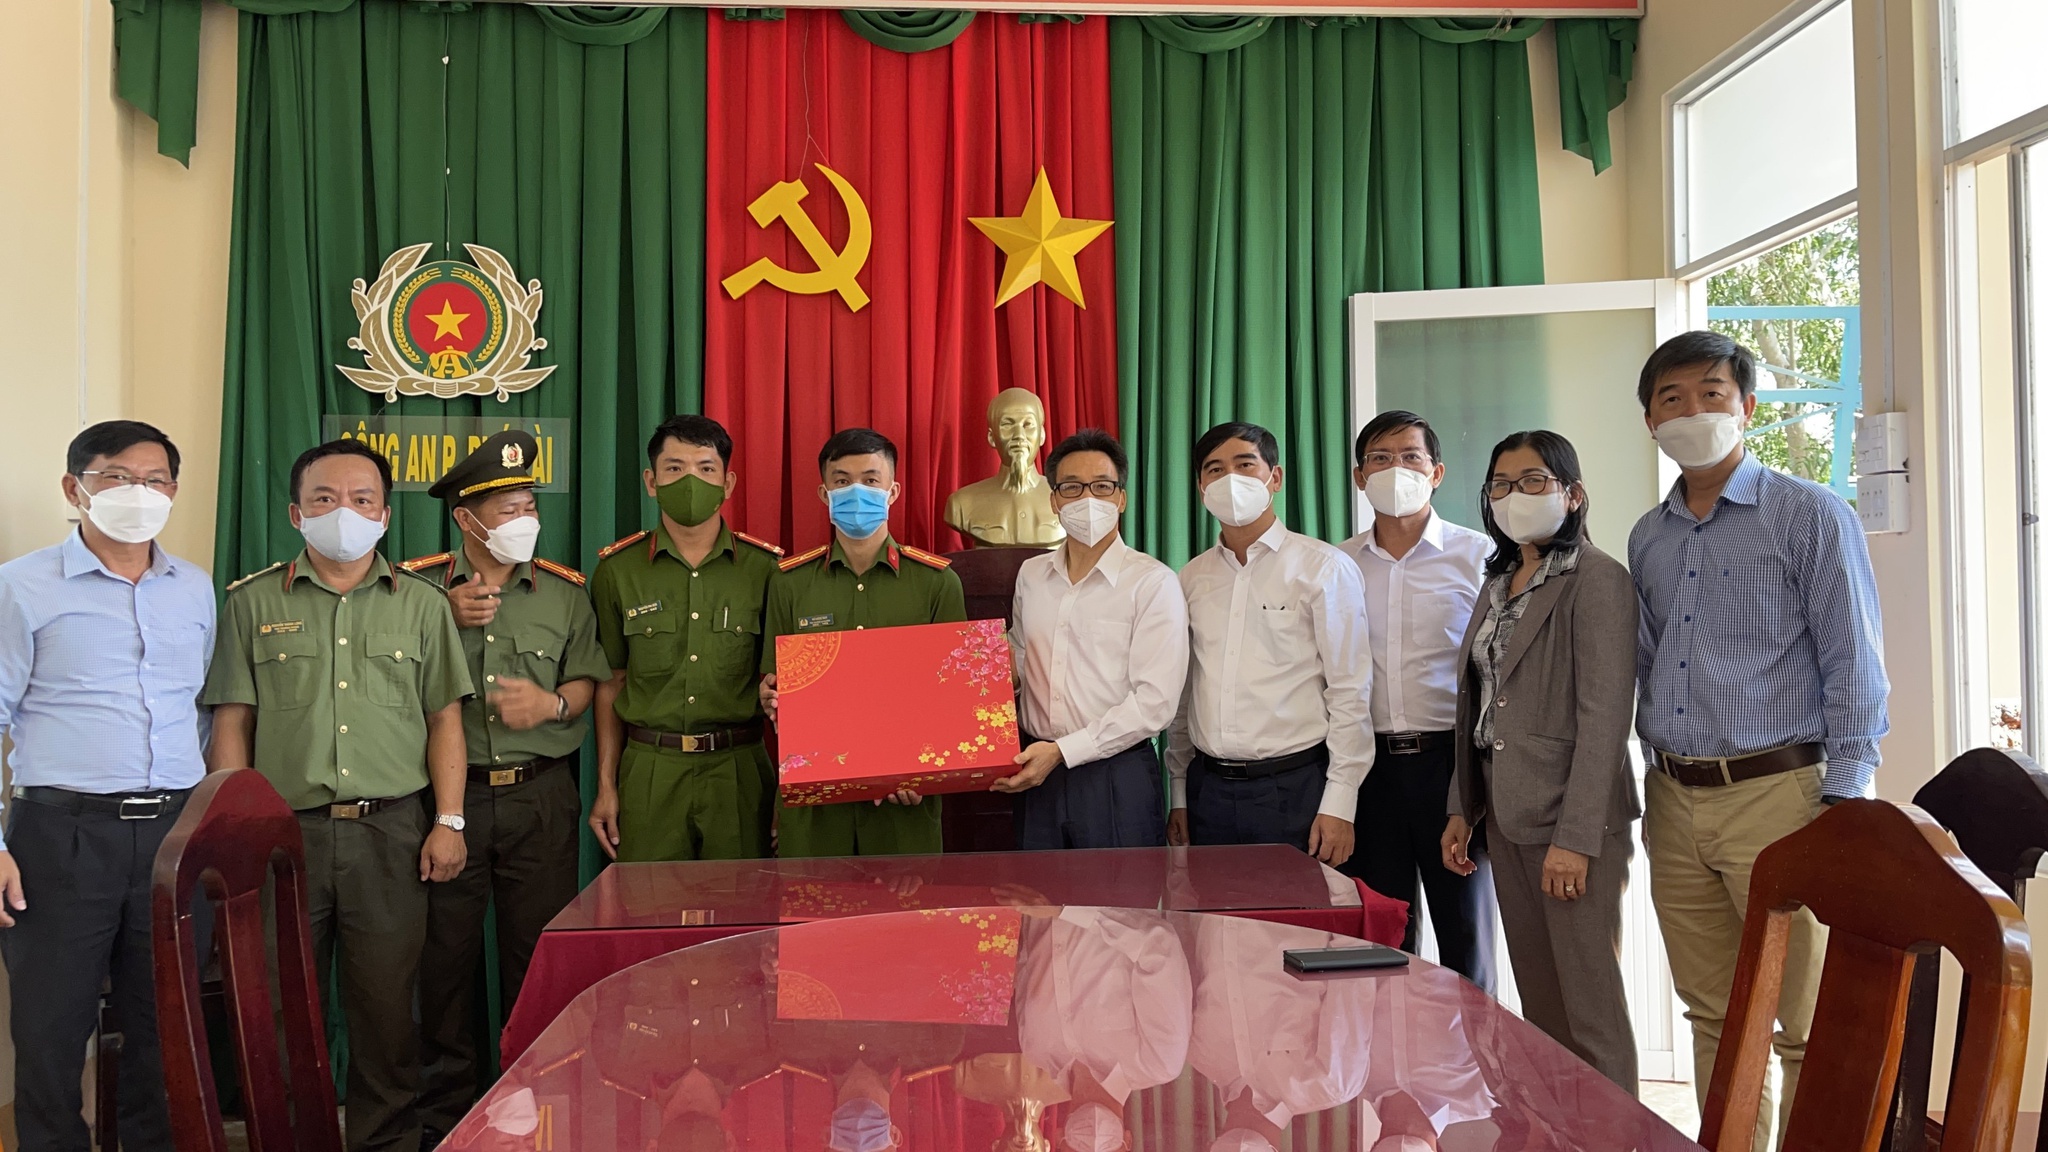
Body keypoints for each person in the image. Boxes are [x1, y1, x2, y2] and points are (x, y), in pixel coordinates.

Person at [1629, 331, 1888, 1147]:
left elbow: (1854, 661)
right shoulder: (1649, 537)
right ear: (1650, 421)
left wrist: (1843, 801)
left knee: (1804, 1021)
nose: (1692, 412)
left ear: (1746, 406)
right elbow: (1648, 662)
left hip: (1783, 795)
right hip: (1675, 797)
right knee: (1715, 1013)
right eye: (1671, 399)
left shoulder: (1809, 514)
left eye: (1711, 394)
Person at [203, 438, 472, 1152]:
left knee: (387, 1014)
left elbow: (445, 719)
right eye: (324, 499)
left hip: (392, 834)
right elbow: (232, 722)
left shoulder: (421, 604)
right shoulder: (252, 602)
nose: (342, 512)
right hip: (282, 839)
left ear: (384, 515)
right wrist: (234, 831)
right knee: (281, 1008)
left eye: (361, 499)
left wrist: (449, 821)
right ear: (297, 513)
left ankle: (388, 1143)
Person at [0, 421, 214, 1152]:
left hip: (173, 837)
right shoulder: (20, 586)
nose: (138, 493)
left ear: (174, 491)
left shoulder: (194, 587)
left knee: (166, 1030)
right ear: (75, 488)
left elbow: (198, 707)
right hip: (60, 837)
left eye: (155, 480)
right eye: (117, 477)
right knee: (50, 1032)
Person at [406, 431, 611, 1143]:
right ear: (466, 519)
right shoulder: (416, 591)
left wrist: (552, 704)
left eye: (530, 506)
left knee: (537, 958)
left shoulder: (564, 592)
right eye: (508, 509)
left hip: (539, 795)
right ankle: (448, 1116)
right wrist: (443, 615)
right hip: (445, 803)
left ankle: (540, 1102)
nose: (525, 520)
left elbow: (588, 679)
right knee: (444, 963)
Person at [1441, 430, 1640, 1091]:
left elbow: (1604, 718)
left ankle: (1617, 1136)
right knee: (1541, 1005)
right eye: (1500, 484)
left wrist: (1575, 841)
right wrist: (1462, 806)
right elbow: (1478, 702)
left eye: (1533, 481)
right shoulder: (1499, 581)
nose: (1514, 496)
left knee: (1590, 1009)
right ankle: (1559, 1130)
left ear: (1572, 494)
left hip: (1571, 823)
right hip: (1504, 814)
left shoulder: (1598, 579)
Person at [1337, 410, 1497, 989]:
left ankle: (1475, 1052)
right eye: (1380, 458)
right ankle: (1387, 1052)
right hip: (1369, 772)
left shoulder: (1481, 557)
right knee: (1381, 944)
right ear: (1360, 477)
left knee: (1465, 942)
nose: (1395, 469)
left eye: (1410, 457)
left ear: (1437, 472)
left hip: (1452, 769)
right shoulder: (1337, 565)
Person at [1165, 421, 1370, 867]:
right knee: (1214, 912)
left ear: (1274, 478)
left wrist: (1340, 802)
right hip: (1208, 792)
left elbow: (1351, 691)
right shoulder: (1190, 578)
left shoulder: (1323, 568)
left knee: (1303, 912)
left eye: (1245, 465)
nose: (1230, 479)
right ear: (1201, 488)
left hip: (1296, 788)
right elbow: (1184, 692)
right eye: (1215, 469)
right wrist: (1178, 791)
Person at [761, 428, 967, 856]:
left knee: (907, 902)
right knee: (810, 901)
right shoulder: (789, 584)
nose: (856, 491)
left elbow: (956, 697)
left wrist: (921, 772)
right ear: (824, 494)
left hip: (906, 804)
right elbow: (774, 681)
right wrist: (771, 696)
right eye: (842, 481)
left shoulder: (937, 583)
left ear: (893, 492)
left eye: (871, 480)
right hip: (817, 805)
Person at [588, 415, 783, 862]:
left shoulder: (767, 571)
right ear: (651, 481)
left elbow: (782, 689)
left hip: (739, 769)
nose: (690, 480)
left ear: (727, 483)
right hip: (651, 768)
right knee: (649, 901)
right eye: (674, 468)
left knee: (741, 901)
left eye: (705, 468)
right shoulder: (617, 571)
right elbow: (611, 682)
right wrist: (606, 785)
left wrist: (785, 792)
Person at [998, 429, 1188, 848]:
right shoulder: (1032, 575)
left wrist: (1063, 751)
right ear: (1054, 500)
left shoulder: (1152, 582)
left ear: (1121, 498)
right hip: (1035, 772)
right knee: (1038, 890)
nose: (1087, 498)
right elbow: (1021, 658)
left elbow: (1155, 703)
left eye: (1102, 486)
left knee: (1122, 892)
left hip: (1116, 775)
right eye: (1071, 487)